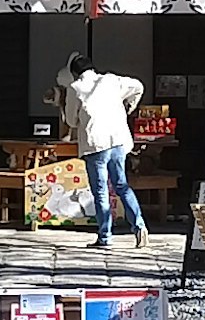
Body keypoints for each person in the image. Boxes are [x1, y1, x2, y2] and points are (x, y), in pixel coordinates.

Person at [58, 50, 149, 251]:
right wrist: (129, 106)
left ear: (74, 73)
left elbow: (72, 121)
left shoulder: (75, 87)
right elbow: (138, 86)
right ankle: (139, 226)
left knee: (100, 192)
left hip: (95, 145)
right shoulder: (111, 80)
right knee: (121, 185)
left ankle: (105, 237)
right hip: (117, 140)